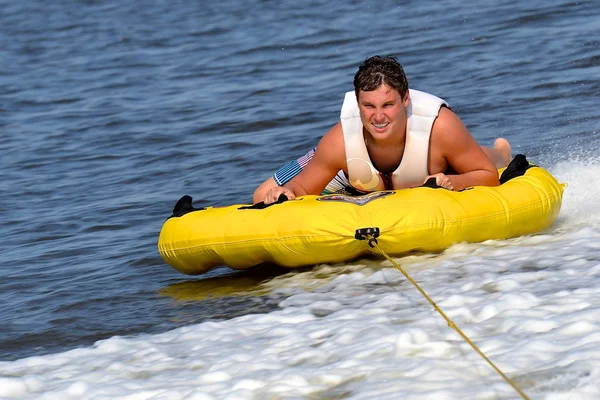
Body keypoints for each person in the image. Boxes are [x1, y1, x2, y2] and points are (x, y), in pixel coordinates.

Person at [254, 55, 512, 205]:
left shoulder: (439, 127)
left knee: (485, 159)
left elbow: (488, 176)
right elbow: (301, 188)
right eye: (369, 106)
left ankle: (500, 151)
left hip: (439, 165)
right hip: (360, 174)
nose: (378, 117)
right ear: (358, 104)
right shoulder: (340, 140)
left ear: (405, 99)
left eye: (388, 104)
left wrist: (452, 181)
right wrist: (287, 192)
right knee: (261, 194)